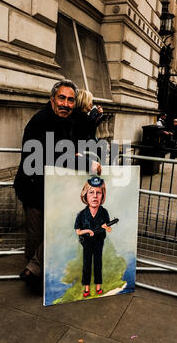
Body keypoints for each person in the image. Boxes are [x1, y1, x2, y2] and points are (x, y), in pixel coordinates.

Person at [14, 79, 101, 293]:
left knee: (57, 229)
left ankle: (35, 271)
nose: (66, 104)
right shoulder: (41, 120)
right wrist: (84, 162)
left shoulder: (71, 119)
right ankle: (34, 277)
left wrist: (82, 146)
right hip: (34, 188)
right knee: (37, 234)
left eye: (71, 100)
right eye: (61, 98)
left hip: (55, 187)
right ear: (52, 99)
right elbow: (51, 156)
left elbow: (80, 142)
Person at [74, 176, 112, 298]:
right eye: (91, 192)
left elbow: (109, 228)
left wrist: (106, 227)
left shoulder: (104, 212)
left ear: (102, 195)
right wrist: (88, 231)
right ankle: (86, 288)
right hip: (87, 243)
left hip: (99, 243)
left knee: (98, 263)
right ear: (85, 195)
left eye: (98, 193)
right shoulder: (81, 214)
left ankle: (98, 286)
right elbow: (78, 231)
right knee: (86, 265)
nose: (95, 196)